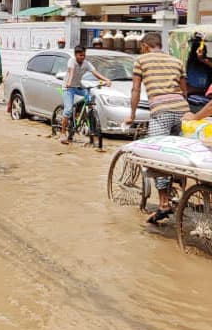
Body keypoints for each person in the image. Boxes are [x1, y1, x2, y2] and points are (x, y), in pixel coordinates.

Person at [125, 32, 190, 224]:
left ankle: (163, 203)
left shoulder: (141, 60)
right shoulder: (176, 61)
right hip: (183, 111)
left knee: (156, 157)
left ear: (145, 46)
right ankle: (181, 187)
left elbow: (135, 89)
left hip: (161, 112)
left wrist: (132, 114)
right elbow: (184, 90)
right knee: (180, 157)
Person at [60, 46, 112, 144]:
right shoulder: (72, 61)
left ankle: (83, 116)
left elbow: (95, 73)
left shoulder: (86, 64)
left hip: (79, 86)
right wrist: (69, 82)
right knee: (68, 110)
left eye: (84, 55)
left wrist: (106, 80)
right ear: (76, 55)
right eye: (80, 55)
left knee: (89, 97)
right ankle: (63, 134)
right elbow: (71, 72)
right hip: (68, 87)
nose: (82, 57)